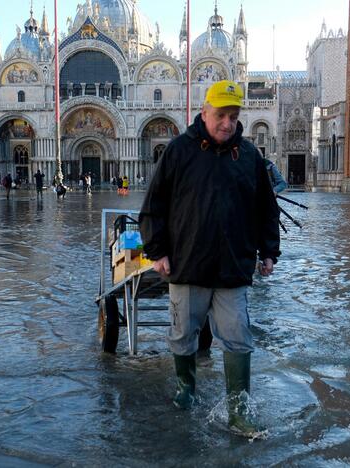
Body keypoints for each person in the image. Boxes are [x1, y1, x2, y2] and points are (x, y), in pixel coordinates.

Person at [140, 79, 280, 437]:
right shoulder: (178, 151)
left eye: (233, 117)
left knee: (238, 337)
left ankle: (238, 412)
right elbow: (153, 206)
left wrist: (269, 252)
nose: (227, 124)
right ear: (204, 112)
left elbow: (266, 208)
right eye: (221, 115)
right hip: (187, 264)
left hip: (233, 266)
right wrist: (157, 251)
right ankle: (186, 391)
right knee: (183, 334)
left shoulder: (248, 155)